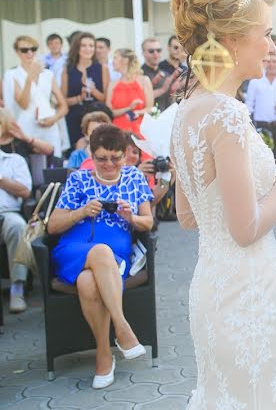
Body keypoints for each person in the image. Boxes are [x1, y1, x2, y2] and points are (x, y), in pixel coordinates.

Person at [169, 0, 276, 409]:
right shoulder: (226, 115)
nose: (272, 47)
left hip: (213, 285)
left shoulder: (186, 110)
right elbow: (246, 228)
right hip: (243, 296)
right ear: (233, 40)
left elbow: (189, 214)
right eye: (266, 34)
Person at [48, 125, 153, 388]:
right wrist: (82, 212)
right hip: (76, 247)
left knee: (87, 281)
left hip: (115, 252)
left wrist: (131, 218)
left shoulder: (134, 178)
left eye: (115, 158)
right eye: (102, 158)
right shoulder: (78, 180)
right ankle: (123, 329)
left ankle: (104, 354)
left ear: (126, 155)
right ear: (91, 156)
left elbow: (148, 222)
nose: (109, 164)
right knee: (100, 251)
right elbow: (53, 225)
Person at [3, 35, 67, 157]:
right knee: (29, 166)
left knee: (53, 165)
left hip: (49, 126)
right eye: (24, 50)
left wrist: (53, 119)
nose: (29, 53)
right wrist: (29, 79)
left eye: (33, 49)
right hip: (25, 128)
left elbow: (63, 105)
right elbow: (23, 104)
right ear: (17, 52)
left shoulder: (48, 74)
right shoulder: (12, 75)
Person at [0, 134, 33, 313]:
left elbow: (25, 191)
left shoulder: (14, 160)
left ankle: (17, 289)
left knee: (18, 227)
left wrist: (1, 179)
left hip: (7, 213)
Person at [245, 51, 276, 170]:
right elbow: (249, 104)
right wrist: (248, 123)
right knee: (262, 158)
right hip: (262, 126)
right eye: (268, 62)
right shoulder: (255, 82)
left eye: (274, 62)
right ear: (264, 63)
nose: (271, 64)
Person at [61, 32, 109, 149]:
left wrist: (93, 91)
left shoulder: (102, 68)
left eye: (91, 46)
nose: (88, 49)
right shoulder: (68, 69)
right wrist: (79, 98)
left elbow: (107, 99)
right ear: (77, 47)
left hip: (96, 118)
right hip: (74, 118)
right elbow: (62, 100)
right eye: (84, 45)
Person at [106, 49, 153, 137]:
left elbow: (150, 108)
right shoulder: (112, 85)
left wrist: (138, 112)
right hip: (118, 131)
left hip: (140, 130)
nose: (112, 61)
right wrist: (129, 108)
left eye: (115, 58)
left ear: (125, 60)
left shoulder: (143, 80)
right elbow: (109, 112)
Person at [141, 38, 180, 112]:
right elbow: (139, 98)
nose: (156, 54)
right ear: (143, 53)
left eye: (158, 50)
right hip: (148, 119)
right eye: (151, 51)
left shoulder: (166, 74)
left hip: (167, 118)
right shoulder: (139, 75)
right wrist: (162, 90)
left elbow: (172, 98)